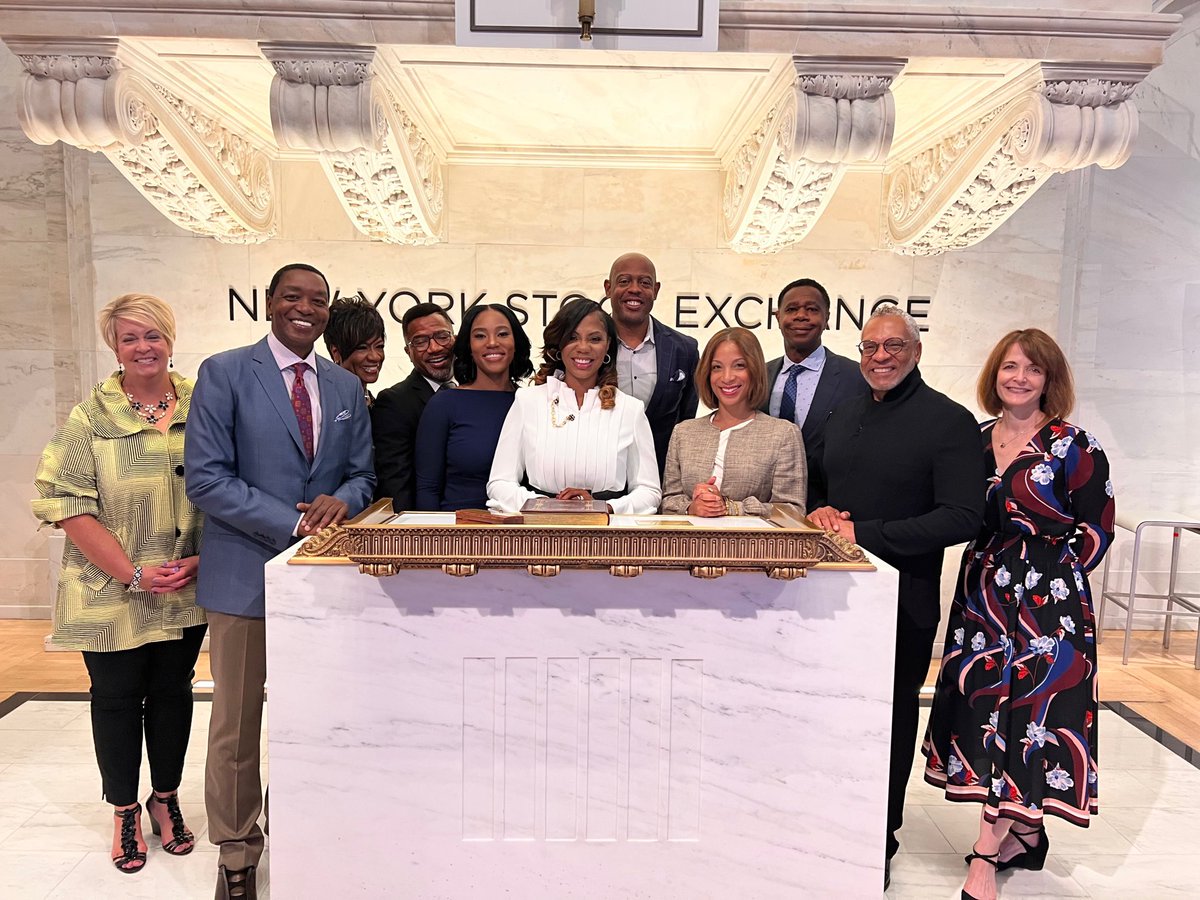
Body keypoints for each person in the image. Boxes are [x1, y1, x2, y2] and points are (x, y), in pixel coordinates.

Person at [185, 263, 375, 900]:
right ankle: (237, 855)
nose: (307, 308)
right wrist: (294, 523)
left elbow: (361, 477)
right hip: (244, 577)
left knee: (311, 720)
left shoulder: (346, 386)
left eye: (318, 301)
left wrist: (340, 503)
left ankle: (301, 830)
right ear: (269, 303)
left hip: (324, 583)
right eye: (294, 297)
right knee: (237, 725)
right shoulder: (226, 372)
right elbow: (207, 479)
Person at [921, 329, 1115, 900]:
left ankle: (987, 853)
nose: (1020, 378)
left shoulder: (1075, 445)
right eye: (1010, 367)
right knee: (985, 715)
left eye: (1033, 369)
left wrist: (1048, 580)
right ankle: (1024, 831)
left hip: (1047, 608)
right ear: (995, 375)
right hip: (982, 595)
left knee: (1029, 722)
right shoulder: (975, 441)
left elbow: (1098, 528)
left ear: (1050, 380)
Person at [808, 304, 985, 889]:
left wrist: (868, 534)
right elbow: (820, 489)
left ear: (915, 352)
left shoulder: (948, 421)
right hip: (833, 598)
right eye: (869, 347)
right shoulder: (843, 413)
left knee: (886, 722)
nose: (879, 357)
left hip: (902, 602)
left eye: (892, 347)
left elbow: (962, 517)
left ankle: (877, 838)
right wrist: (823, 511)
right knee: (833, 713)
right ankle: (828, 822)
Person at [32, 293, 205, 874]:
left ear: (170, 339)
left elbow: (225, 488)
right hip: (108, 591)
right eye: (130, 338)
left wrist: (202, 560)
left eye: (152, 335)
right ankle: (124, 809)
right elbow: (67, 505)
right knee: (115, 699)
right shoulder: (91, 417)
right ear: (115, 346)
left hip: (182, 583)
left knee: (173, 694)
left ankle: (166, 798)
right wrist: (130, 571)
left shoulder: (202, 406)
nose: (143, 347)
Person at [487, 297, 661, 514]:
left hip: (607, 535)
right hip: (539, 532)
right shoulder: (527, 401)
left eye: (595, 339)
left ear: (608, 345)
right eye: (572, 337)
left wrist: (605, 507)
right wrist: (546, 505)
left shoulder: (630, 409)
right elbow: (499, 484)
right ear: (559, 344)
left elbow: (649, 491)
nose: (583, 348)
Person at [662, 327, 806, 518]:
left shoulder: (783, 434)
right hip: (690, 546)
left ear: (754, 370)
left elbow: (792, 511)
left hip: (753, 546)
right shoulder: (683, 432)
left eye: (739, 365)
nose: (727, 377)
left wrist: (732, 508)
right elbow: (669, 502)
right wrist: (691, 507)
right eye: (717, 367)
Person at [761, 277, 867, 507]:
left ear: (827, 318)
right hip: (764, 509)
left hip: (832, 512)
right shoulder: (759, 375)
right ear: (778, 317)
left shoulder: (856, 378)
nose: (801, 316)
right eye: (792, 309)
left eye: (812, 309)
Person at [415, 304, 532, 510]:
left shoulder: (532, 402)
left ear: (516, 342)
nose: (492, 343)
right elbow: (428, 488)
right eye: (480, 336)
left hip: (524, 532)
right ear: (468, 346)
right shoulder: (444, 405)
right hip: (459, 532)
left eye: (503, 334)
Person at [605, 252, 699, 476]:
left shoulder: (684, 349)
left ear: (656, 290)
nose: (635, 289)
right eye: (624, 281)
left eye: (644, 283)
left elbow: (685, 421)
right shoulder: (589, 346)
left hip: (661, 474)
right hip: (599, 475)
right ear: (608, 288)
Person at [372, 302, 455, 508]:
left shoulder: (480, 392)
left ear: (455, 339)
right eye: (420, 342)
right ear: (408, 352)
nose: (434, 348)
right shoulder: (394, 403)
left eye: (442, 336)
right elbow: (396, 487)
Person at [323, 295, 386, 408]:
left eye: (379, 346)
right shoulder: (324, 406)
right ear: (336, 352)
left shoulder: (379, 407)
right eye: (362, 348)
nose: (375, 357)